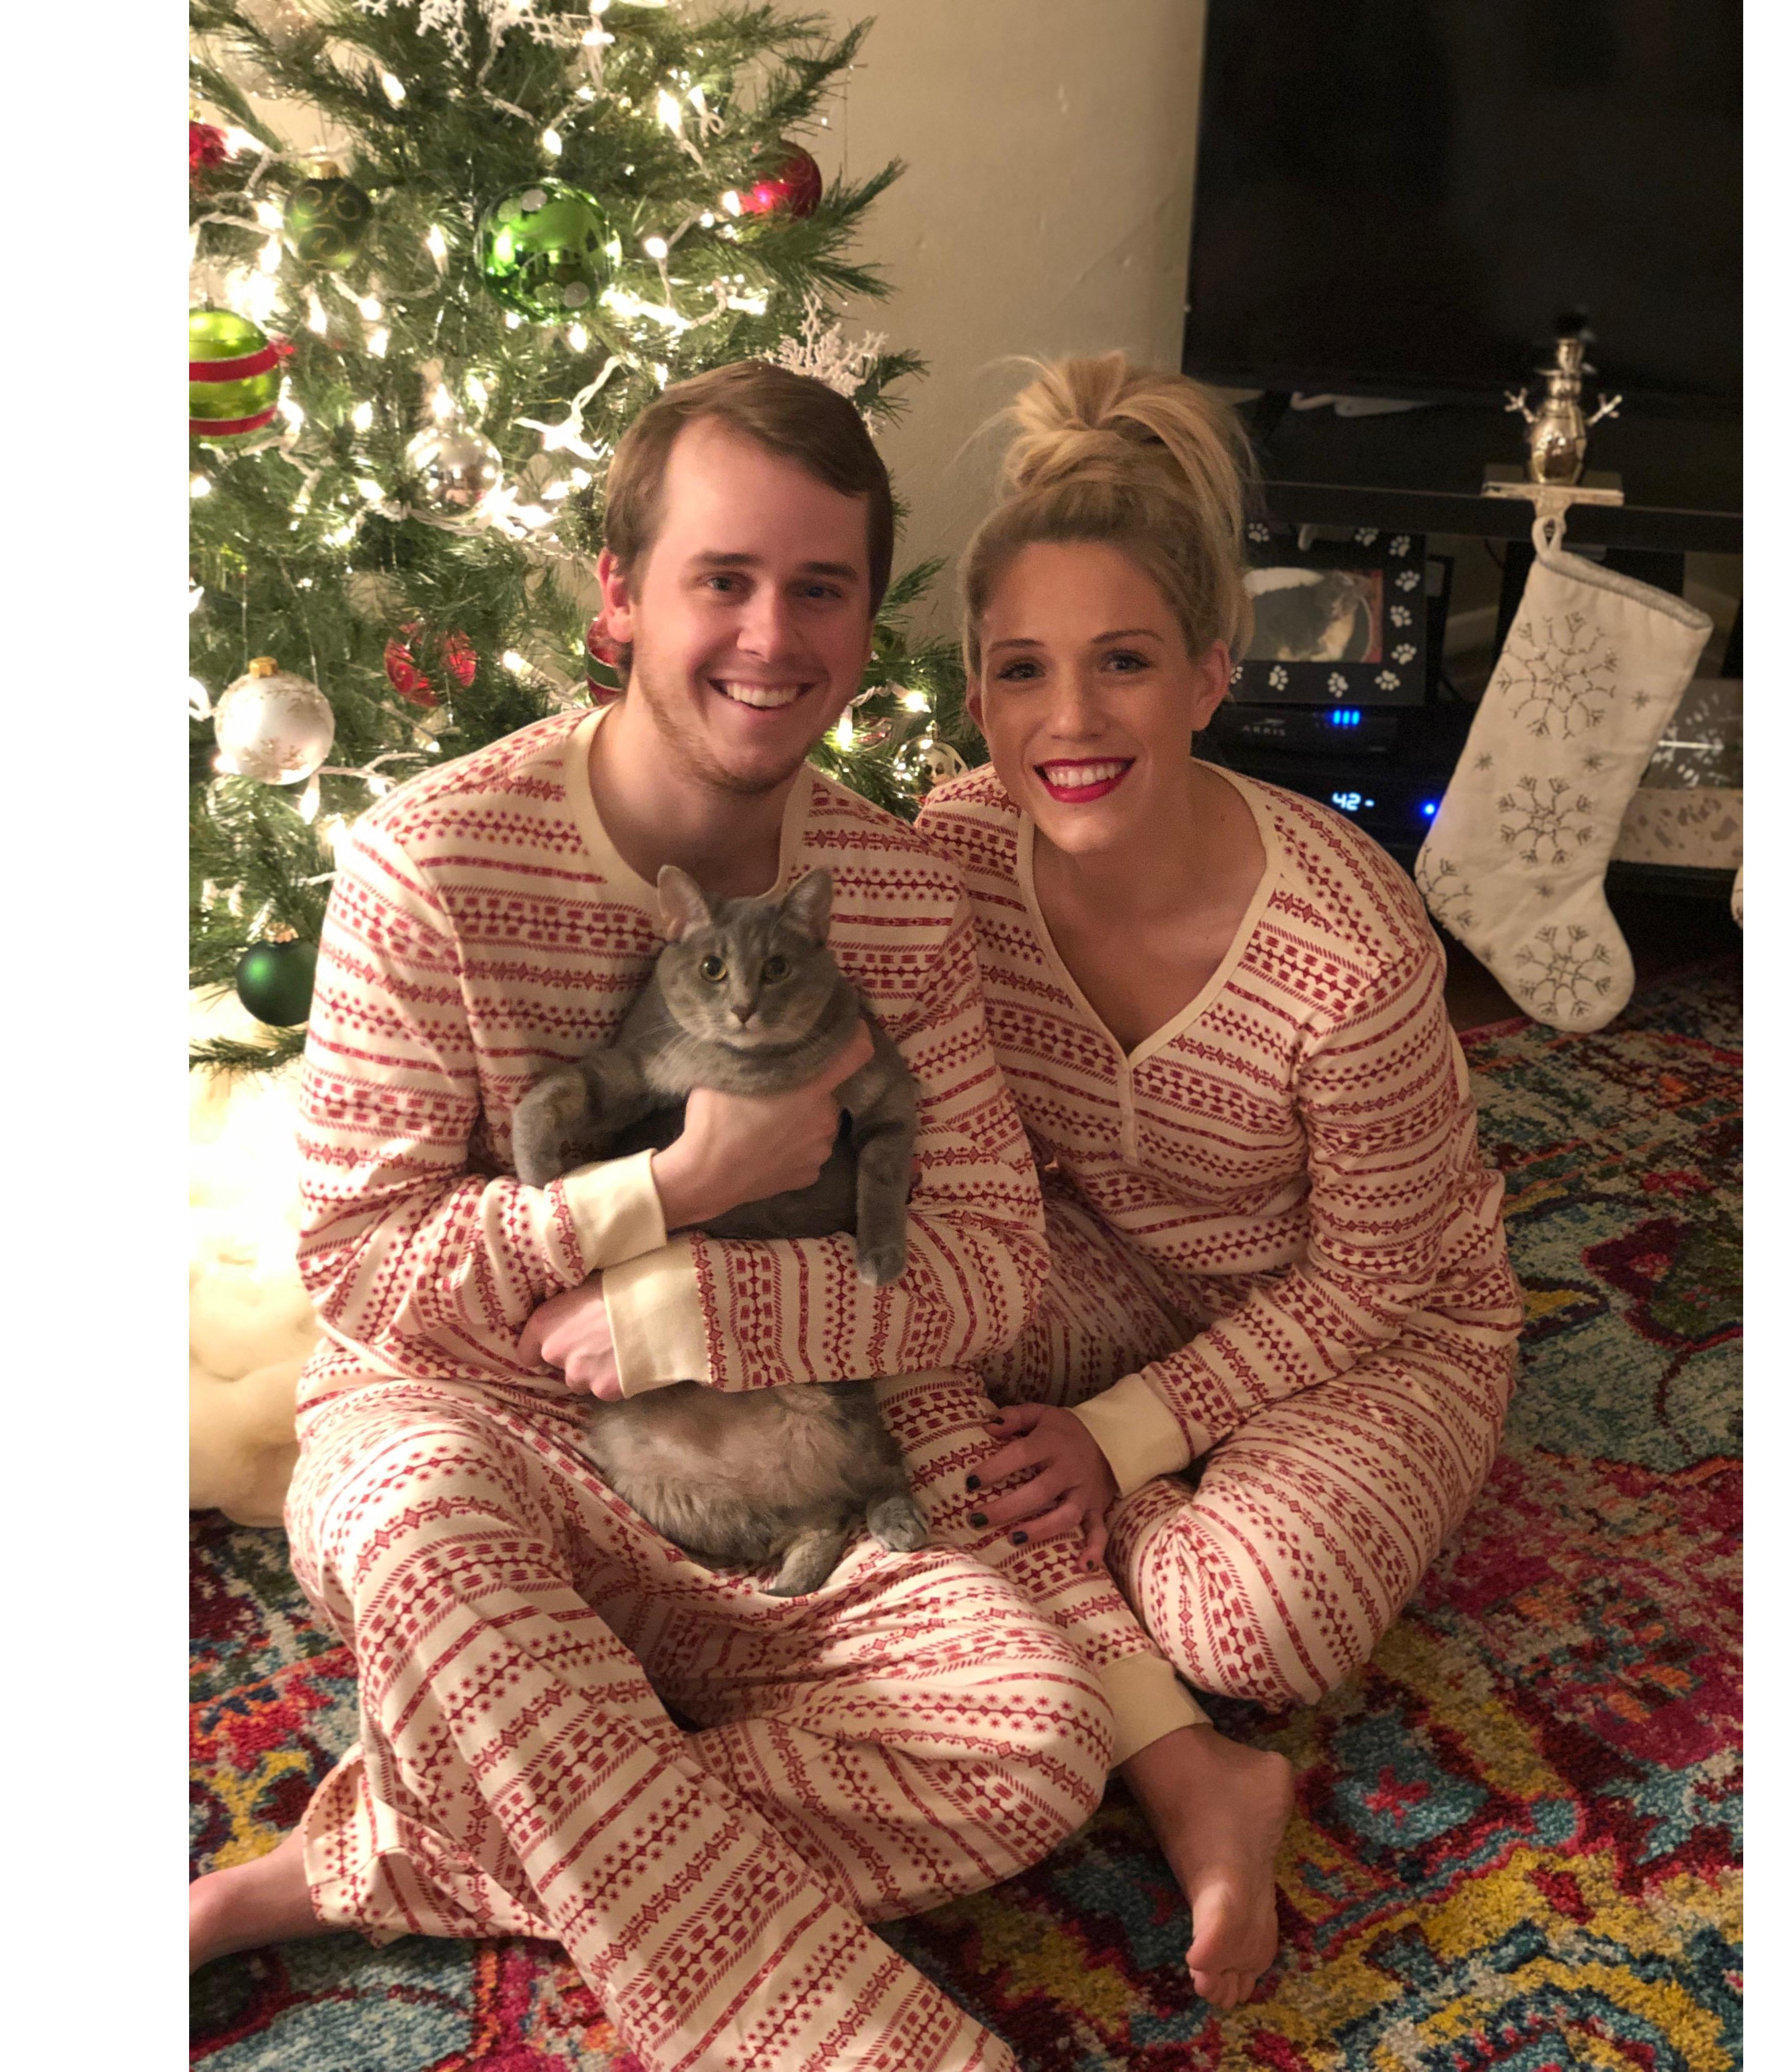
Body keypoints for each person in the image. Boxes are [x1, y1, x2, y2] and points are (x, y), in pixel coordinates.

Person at [189, 362, 1117, 2072]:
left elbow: (994, 1267)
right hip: (487, 1451)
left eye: (820, 588)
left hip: (791, 1466)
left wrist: (700, 1310)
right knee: (416, 1523)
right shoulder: (428, 861)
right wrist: (674, 1188)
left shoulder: (896, 888)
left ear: (865, 621)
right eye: (723, 579)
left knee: (1034, 1743)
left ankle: (389, 1848)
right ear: (619, 596)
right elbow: (366, 1274)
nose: (772, 636)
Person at [915, 353, 1526, 1993]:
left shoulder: (1348, 941)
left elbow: (1379, 1273)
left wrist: (1120, 1437)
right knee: (872, 1338)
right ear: (977, 696)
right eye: (1023, 671)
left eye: (1121, 662)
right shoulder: (951, 855)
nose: (1068, 721)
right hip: (1107, 1268)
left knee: (1245, 1621)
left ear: (1208, 673)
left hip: (1385, 1320)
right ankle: (1192, 1768)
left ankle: (1083, 1561)